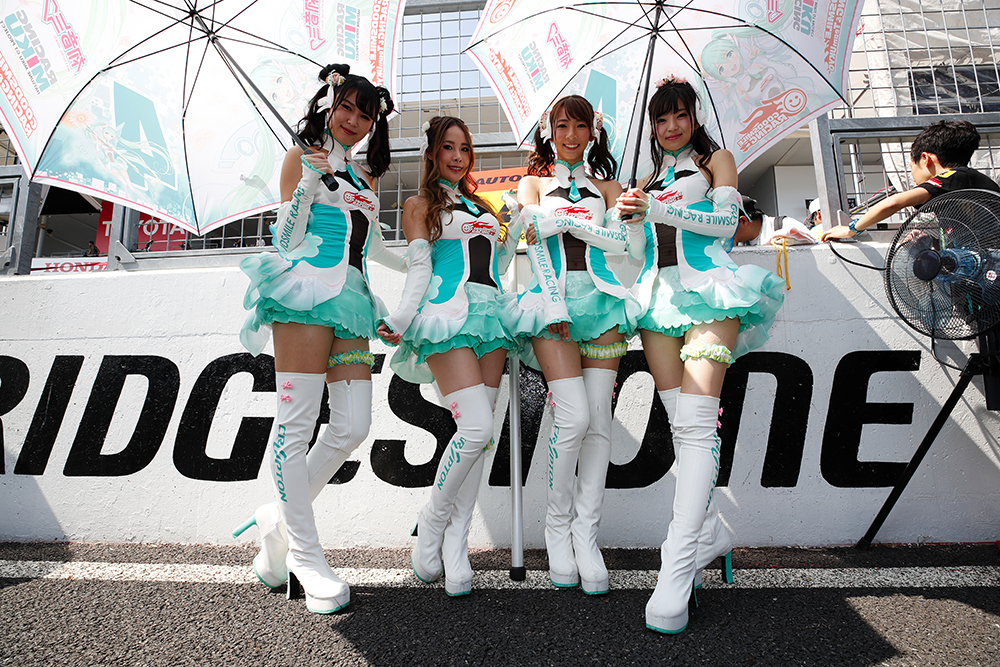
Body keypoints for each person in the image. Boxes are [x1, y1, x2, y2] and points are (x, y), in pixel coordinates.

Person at [232, 63, 404, 615]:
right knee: (297, 423)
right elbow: (286, 239)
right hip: (304, 293)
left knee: (352, 425)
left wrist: (419, 272)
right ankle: (305, 555)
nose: (353, 120)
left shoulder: (365, 179)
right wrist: (308, 181)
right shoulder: (300, 159)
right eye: (346, 107)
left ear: (374, 123)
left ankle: (277, 520)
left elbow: (371, 248)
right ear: (329, 107)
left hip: (351, 299)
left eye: (364, 114)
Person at [616, 77, 785, 634]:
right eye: (661, 119)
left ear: (694, 117)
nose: (671, 127)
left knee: (695, 424)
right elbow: (635, 251)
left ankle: (677, 562)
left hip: (712, 291)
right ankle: (710, 530)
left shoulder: (717, 162)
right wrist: (626, 220)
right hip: (658, 301)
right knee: (682, 429)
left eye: (680, 116)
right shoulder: (648, 181)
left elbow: (726, 224)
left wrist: (659, 212)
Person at [504, 95, 644, 595]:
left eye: (579, 126)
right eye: (561, 125)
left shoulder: (609, 187)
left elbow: (625, 246)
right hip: (552, 305)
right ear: (549, 130)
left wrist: (578, 221)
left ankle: (587, 537)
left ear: (592, 132)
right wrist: (565, 222)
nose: (570, 135)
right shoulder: (533, 185)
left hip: (602, 303)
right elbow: (526, 234)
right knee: (574, 418)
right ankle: (556, 531)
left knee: (599, 424)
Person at [377, 116, 519, 597]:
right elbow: (419, 269)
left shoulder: (484, 206)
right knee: (475, 428)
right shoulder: (418, 205)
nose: (458, 156)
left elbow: (498, 263)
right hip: (446, 316)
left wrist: (516, 231)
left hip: (491, 318)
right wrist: (401, 318)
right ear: (432, 153)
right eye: (448, 147)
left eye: (464, 148)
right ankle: (432, 523)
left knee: (482, 437)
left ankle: (457, 545)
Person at [822, 120, 1000, 241]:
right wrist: (930, 241)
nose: (913, 175)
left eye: (912, 166)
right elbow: (970, 238)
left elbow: (893, 203)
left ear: (925, 159)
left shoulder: (954, 177)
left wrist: (851, 229)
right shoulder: (969, 184)